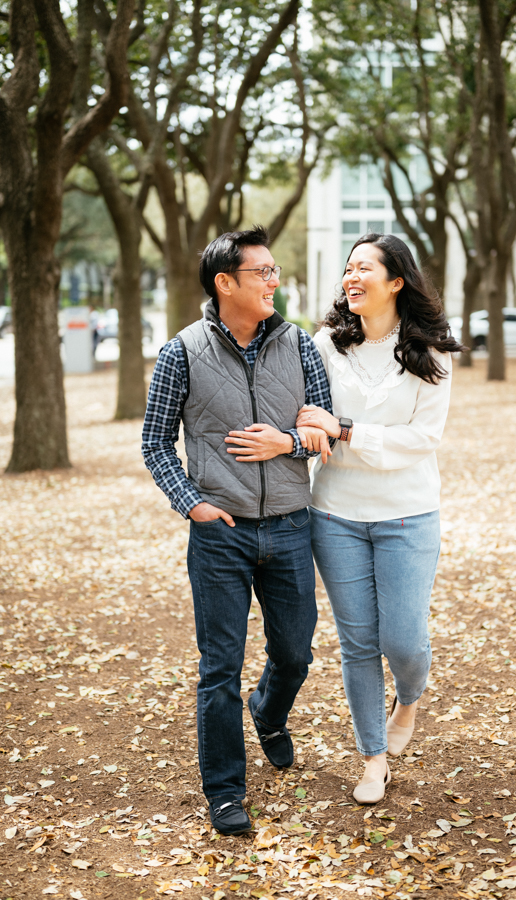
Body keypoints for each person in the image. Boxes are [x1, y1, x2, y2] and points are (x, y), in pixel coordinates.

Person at [142, 226, 333, 835]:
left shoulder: (300, 345)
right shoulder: (181, 351)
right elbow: (155, 442)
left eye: (275, 271)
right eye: (263, 273)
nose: (274, 282)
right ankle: (225, 793)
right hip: (220, 533)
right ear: (225, 283)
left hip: (290, 526)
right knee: (218, 667)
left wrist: (291, 441)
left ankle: (270, 713)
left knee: (295, 654)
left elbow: (324, 431)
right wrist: (190, 502)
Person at [296, 233, 463, 804]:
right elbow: (303, 416)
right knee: (358, 643)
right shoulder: (324, 345)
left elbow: (423, 438)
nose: (351, 276)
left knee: (404, 640)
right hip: (335, 513)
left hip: (408, 514)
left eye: (364, 267)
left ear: (396, 281)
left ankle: (410, 697)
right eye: (348, 268)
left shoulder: (430, 350)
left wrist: (344, 430)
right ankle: (372, 757)